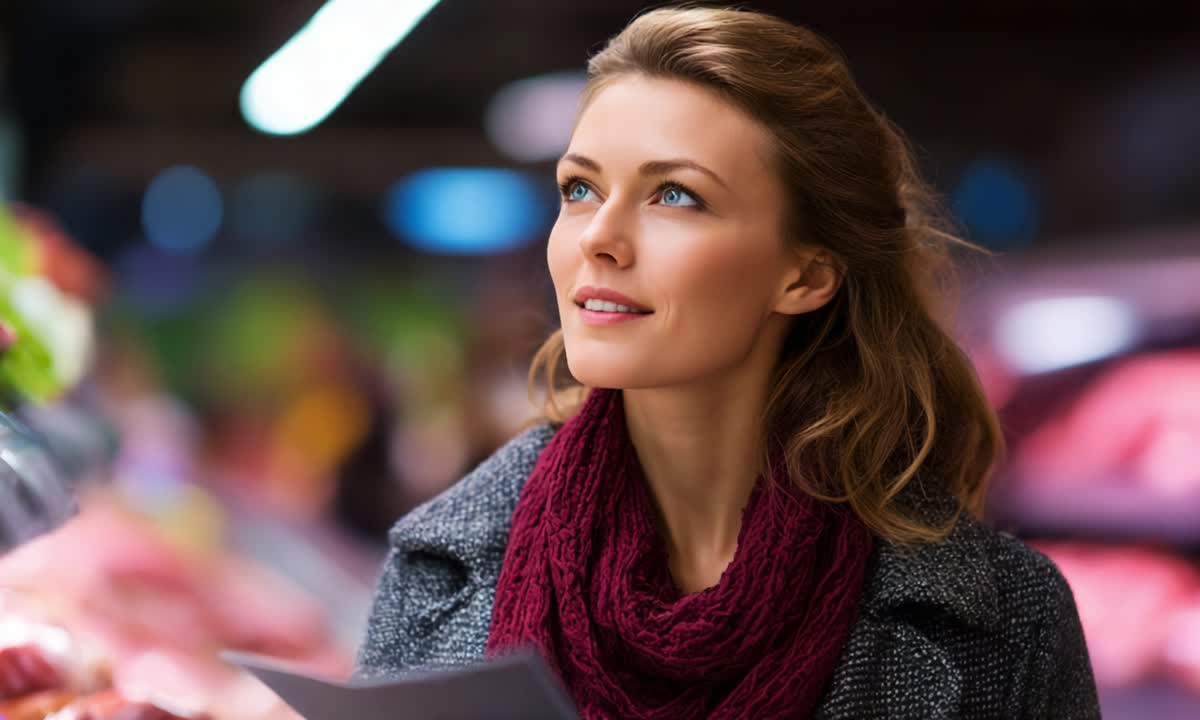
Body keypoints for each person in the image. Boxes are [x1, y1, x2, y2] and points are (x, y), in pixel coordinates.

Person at [356, 7, 1100, 719]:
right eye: (580, 189)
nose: (598, 238)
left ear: (805, 274)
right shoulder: (437, 572)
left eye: (675, 196)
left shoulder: (1010, 624)